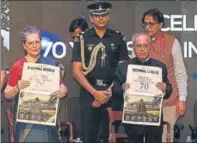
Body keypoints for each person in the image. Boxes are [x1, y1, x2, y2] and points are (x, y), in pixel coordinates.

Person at [71, 2, 129, 143]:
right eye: (97, 16)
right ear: (91, 19)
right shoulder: (82, 39)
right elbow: (76, 71)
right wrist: (95, 93)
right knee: (90, 137)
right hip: (89, 95)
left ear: (108, 17)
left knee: (113, 137)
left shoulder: (118, 38)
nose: (100, 18)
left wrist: (108, 92)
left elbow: (124, 69)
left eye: (103, 15)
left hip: (113, 94)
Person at [4, 26, 67, 142]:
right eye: (30, 43)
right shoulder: (18, 66)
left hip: (47, 123)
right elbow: (7, 94)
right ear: (24, 45)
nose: (34, 46)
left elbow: (61, 87)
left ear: (41, 43)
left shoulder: (51, 65)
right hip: (26, 124)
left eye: (37, 42)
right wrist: (17, 87)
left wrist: (63, 91)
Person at [132, 8, 188, 141]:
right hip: (144, 100)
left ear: (160, 25)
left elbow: (180, 73)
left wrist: (182, 99)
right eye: (145, 23)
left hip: (168, 101)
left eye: (151, 24)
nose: (147, 27)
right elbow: (133, 70)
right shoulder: (138, 40)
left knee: (164, 138)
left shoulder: (172, 42)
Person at [112, 33, 172, 143]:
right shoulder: (124, 67)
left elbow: (169, 90)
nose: (142, 49)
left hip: (153, 118)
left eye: (145, 46)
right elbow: (114, 90)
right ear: (133, 47)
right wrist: (122, 88)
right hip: (133, 120)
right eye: (139, 46)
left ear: (150, 47)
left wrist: (165, 88)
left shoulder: (160, 66)